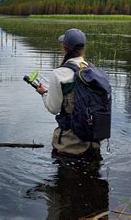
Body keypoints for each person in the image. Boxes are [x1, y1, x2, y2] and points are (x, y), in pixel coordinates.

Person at [36, 28, 101, 157]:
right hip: (94, 141)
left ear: (64, 47)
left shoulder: (58, 74)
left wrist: (44, 93)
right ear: (83, 48)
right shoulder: (92, 69)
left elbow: (53, 109)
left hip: (70, 144)